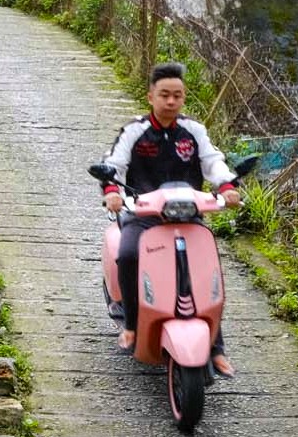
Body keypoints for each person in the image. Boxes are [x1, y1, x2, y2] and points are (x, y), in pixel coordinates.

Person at [101, 63, 239, 377]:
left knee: (207, 269)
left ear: (183, 98)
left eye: (177, 95)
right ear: (151, 96)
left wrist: (227, 187)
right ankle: (133, 325)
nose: (171, 101)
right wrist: (112, 191)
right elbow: (114, 165)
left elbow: (213, 162)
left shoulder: (194, 131)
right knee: (129, 255)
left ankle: (216, 346)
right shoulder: (134, 130)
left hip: (188, 216)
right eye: (164, 95)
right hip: (143, 215)